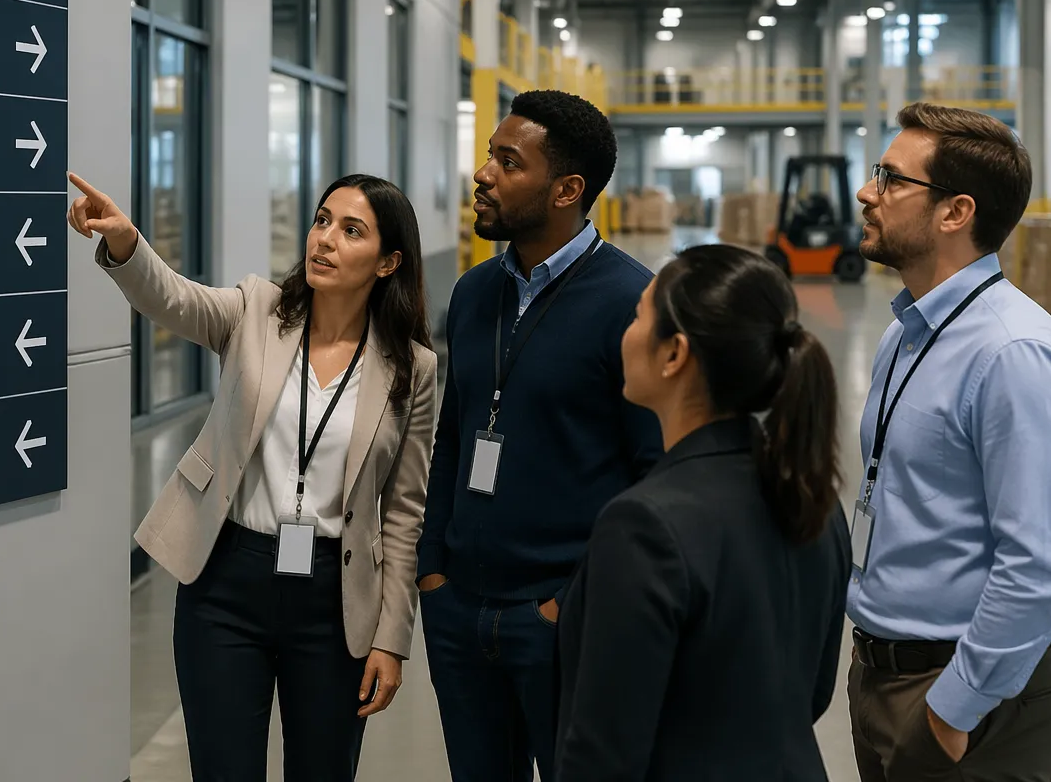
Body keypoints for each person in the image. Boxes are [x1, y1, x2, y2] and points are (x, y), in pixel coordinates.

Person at [67, 171, 438, 781]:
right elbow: (172, 298)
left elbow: (403, 512)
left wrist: (392, 638)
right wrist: (127, 243)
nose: (324, 240)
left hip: (335, 597)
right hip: (226, 583)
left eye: (351, 231)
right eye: (322, 221)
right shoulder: (257, 311)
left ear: (388, 262)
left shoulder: (410, 369)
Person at [416, 90, 663, 781]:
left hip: (561, 622)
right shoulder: (471, 294)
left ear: (567, 190)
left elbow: (655, 479)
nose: (483, 175)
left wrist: (572, 600)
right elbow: (453, 440)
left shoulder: (633, 305)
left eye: (507, 162)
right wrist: (432, 570)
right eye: (489, 156)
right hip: (459, 608)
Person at [847, 103, 1051, 781]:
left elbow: (1043, 569)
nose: (868, 193)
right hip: (885, 672)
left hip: (969, 696)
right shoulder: (906, 333)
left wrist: (952, 711)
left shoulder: (1014, 353)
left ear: (956, 212)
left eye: (891, 179)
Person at [553, 244, 852, 781]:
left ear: (674, 354)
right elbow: (811, 694)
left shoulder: (644, 526)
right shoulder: (815, 500)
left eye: (638, 316)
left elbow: (604, 753)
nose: (627, 332)